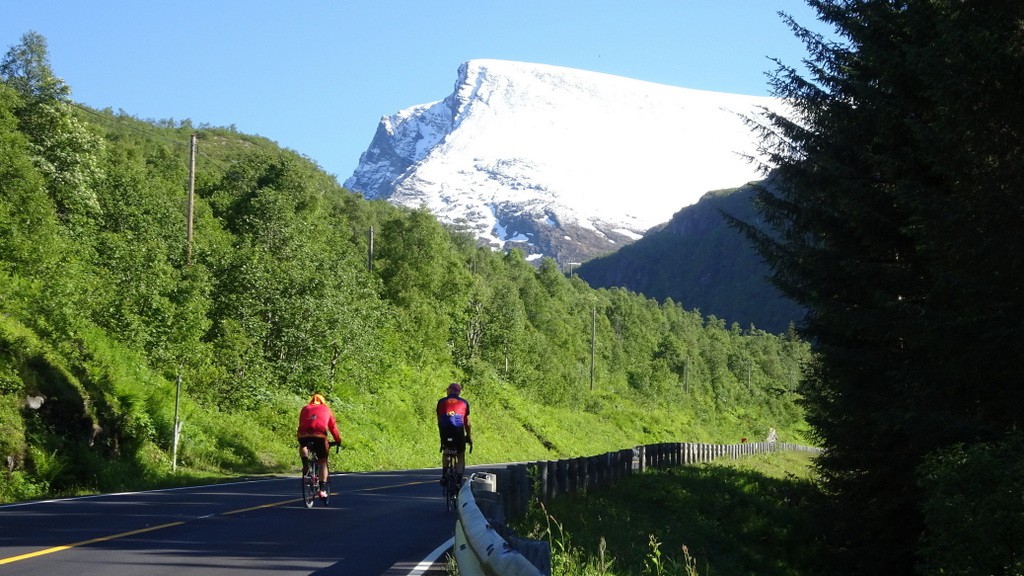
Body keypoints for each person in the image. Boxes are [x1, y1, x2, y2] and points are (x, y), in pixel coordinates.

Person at [296, 393, 343, 499]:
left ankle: (305, 464)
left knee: (303, 445)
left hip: (302, 435)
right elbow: (333, 427)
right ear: (323, 402)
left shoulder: (305, 408)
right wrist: (338, 440)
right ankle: (322, 490)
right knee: (322, 461)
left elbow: (301, 423)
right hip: (319, 436)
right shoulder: (326, 409)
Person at [436, 382, 472, 484]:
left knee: (446, 451)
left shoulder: (441, 401)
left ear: (450, 391)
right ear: (458, 392)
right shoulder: (464, 402)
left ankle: (444, 475)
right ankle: (459, 480)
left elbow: (439, 420)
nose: (446, 391)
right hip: (458, 429)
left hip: (444, 429)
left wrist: (442, 436)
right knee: (460, 455)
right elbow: (467, 423)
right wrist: (469, 436)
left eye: (447, 389)